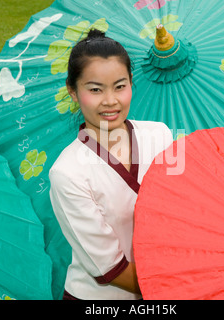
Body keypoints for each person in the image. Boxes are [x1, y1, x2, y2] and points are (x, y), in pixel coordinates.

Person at [49, 29, 173, 300]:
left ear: (131, 83)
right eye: (95, 89)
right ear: (73, 91)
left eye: (120, 86)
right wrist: (189, 282)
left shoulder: (160, 135)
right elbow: (112, 270)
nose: (110, 101)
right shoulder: (67, 173)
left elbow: (184, 210)